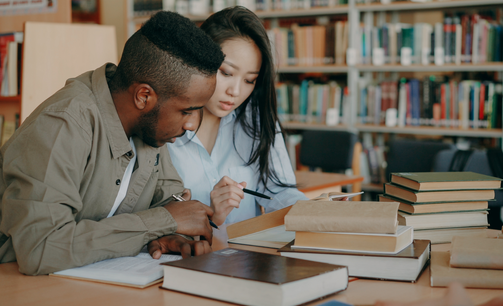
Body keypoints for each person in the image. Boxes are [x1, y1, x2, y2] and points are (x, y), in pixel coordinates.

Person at [0, 11, 225, 275]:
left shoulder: (151, 130)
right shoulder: (63, 124)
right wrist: (161, 222)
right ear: (144, 96)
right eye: (186, 111)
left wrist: (170, 236)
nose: (190, 125)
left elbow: (170, 202)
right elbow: (41, 248)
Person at [167, 6, 310, 226]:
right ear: (198, 60)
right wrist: (212, 217)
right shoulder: (163, 130)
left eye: (249, 80)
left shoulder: (256, 120)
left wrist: (316, 213)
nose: (235, 91)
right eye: (226, 73)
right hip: (182, 257)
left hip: (249, 257)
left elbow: (280, 191)